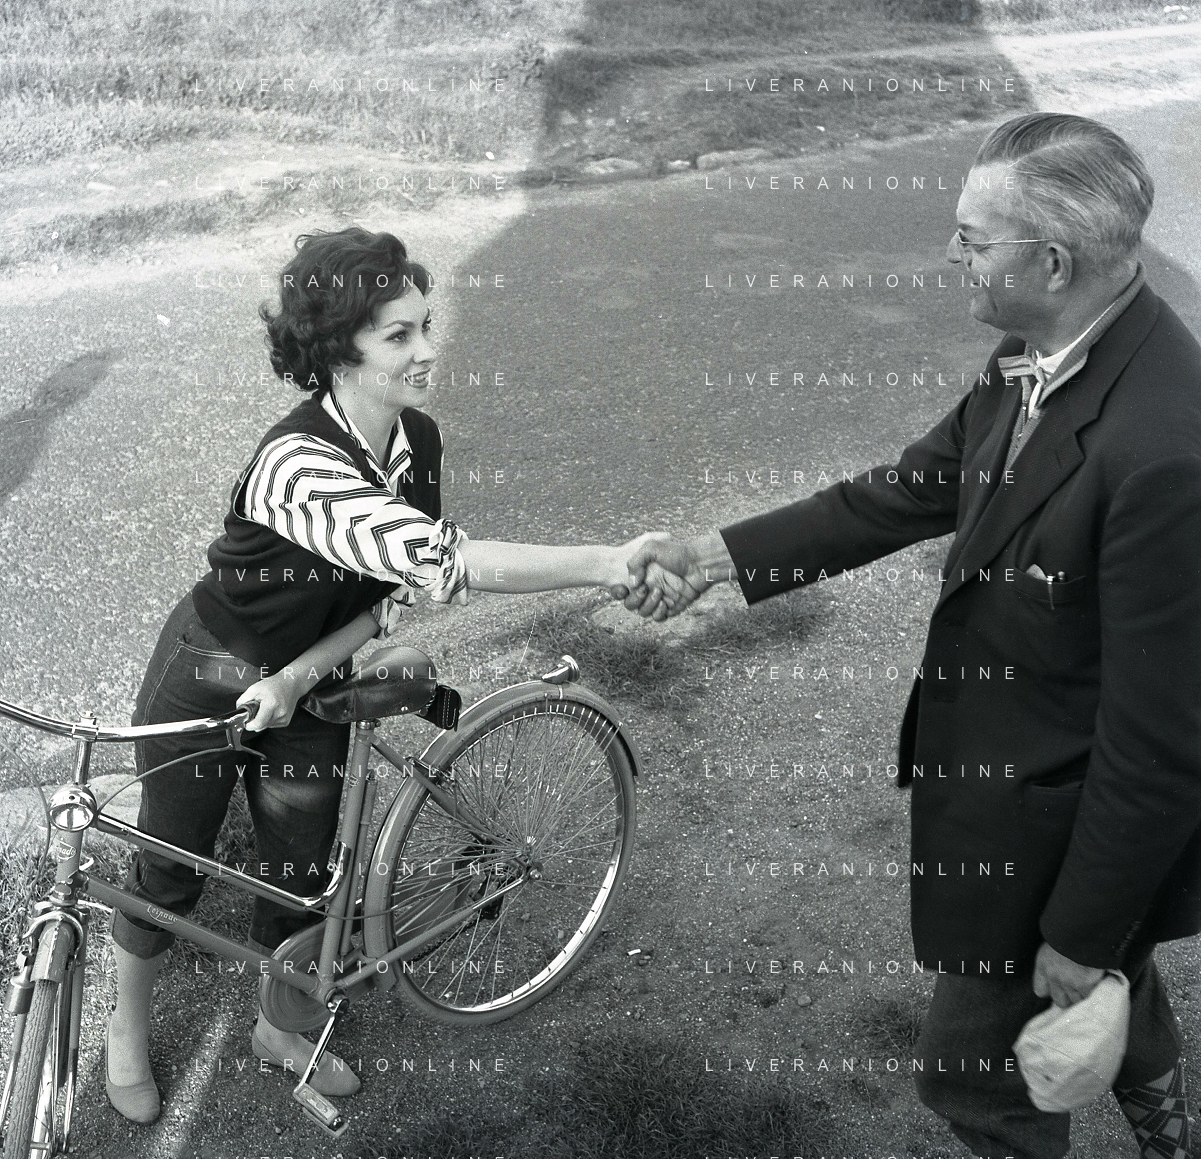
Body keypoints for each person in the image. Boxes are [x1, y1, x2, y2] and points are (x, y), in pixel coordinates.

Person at [619, 114, 1200, 1159]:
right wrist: (712, 555)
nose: (948, 254)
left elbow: (1159, 742)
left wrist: (1078, 932)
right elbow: (902, 491)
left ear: (1052, 261)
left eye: (972, 239)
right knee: (1110, 977)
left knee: (975, 1085)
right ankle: (1170, 1129)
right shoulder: (1039, 350)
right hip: (1022, 797)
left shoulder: (1165, 450)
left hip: (1050, 838)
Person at [105, 226, 654, 1124]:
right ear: (338, 351)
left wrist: (299, 678)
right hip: (210, 666)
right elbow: (441, 559)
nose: (427, 349)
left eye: (426, 326)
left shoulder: (417, 440)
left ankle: (279, 1029)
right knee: (169, 866)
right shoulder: (296, 463)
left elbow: (390, 593)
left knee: (302, 875)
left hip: (310, 675)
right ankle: (125, 1030)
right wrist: (607, 562)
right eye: (399, 334)